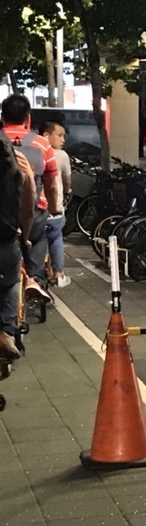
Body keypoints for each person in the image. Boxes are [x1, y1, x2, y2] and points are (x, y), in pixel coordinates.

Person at [0, 95, 60, 305]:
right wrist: (54, 207)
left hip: (3, 214)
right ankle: (34, 280)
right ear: (28, 118)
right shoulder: (42, 144)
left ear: (2, 117)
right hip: (34, 210)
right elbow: (51, 184)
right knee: (39, 238)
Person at [0, 139, 36, 361]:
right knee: (11, 281)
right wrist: (25, 236)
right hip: (5, 238)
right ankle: (5, 332)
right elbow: (28, 207)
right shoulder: (15, 160)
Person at [39, 120, 73, 288]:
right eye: (59, 135)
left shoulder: (31, 150)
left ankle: (38, 274)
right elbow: (67, 180)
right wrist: (67, 191)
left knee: (36, 239)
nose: (63, 140)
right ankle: (58, 273)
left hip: (33, 209)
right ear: (46, 135)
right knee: (55, 236)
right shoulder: (61, 155)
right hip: (54, 208)